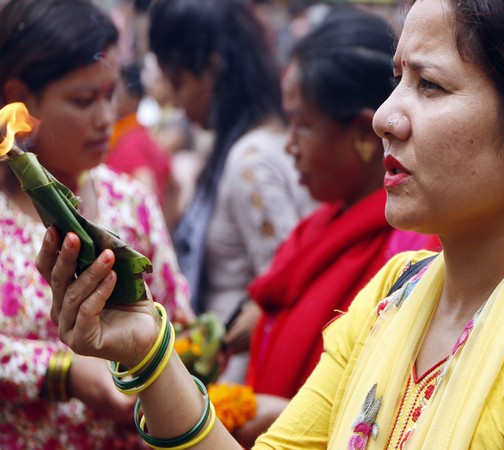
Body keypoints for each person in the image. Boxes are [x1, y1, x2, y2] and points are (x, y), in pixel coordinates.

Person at [37, 0, 504, 448]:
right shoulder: (392, 293)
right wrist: (145, 350)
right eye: (397, 78)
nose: (384, 117)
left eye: (430, 85)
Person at [0, 0, 192, 447]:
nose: (107, 119)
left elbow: (177, 320)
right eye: (84, 100)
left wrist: (148, 365)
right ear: (20, 99)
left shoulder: (131, 203)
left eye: (110, 95)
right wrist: (64, 371)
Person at [246, 5, 440, 403]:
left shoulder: (411, 253)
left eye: (303, 124)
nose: (290, 144)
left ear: (364, 134)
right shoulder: (316, 229)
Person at [148, 0, 317, 382]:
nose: (175, 100)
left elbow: (286, 284)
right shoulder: (252, 143)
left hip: (239, 383)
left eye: (178, 83)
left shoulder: (248, 161)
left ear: (211, 69)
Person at [107, 62, 172, 206]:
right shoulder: (140, 134)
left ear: (133, 100)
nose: (111, 98)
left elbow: (147, 191)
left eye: (115, 91)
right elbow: (175, 185)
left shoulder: (132, 140)